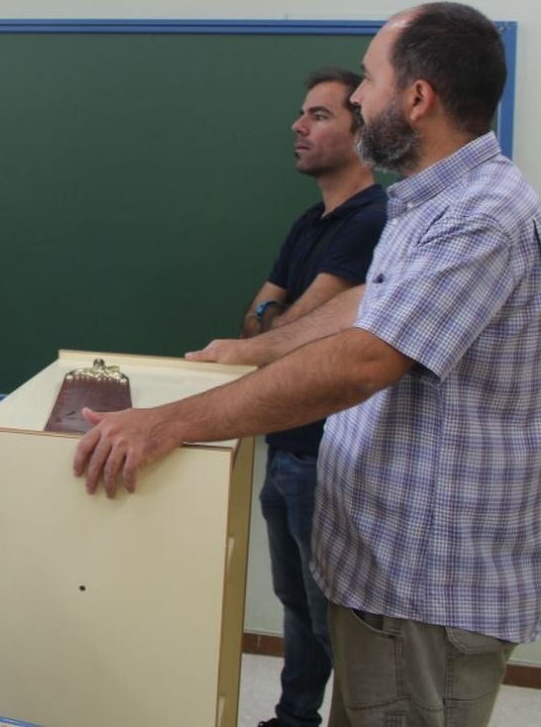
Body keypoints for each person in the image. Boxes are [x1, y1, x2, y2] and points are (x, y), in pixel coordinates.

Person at [73, 3, 541, 727]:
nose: (360, 99)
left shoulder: (482, 216)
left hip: (426, 591)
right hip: (385, 580)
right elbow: (370, 304)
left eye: (368, 80)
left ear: (418, 97)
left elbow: (364, 360)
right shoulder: (427, 204)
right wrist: (251, 351)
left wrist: (170, 424)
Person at [243, 69, 386, 727]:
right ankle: (293, 716)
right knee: (296, 604)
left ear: (362, 133)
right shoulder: (311, 221)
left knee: (334, 617)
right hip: (287, 444)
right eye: (301, 114)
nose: (299, 128)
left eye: (320, 116)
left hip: (327, 453)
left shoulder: (373, 219)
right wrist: (281, 326)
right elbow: (260, 322)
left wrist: (279, 326)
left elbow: (294, 336)